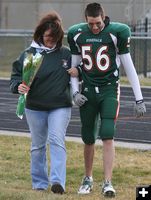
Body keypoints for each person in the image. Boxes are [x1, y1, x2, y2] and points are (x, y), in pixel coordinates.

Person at [67, 2, 146, 198]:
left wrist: (139, 98)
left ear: (104, 18)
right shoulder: (77, 33)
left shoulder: (117, 32)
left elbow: (129, 66)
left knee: (108, 133)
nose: (95, 27)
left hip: (109, 89)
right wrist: (75, 92)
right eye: (91, 23)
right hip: (87, 90)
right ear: (86, 19)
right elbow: (74, 67)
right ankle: (87, 178)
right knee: (88, 137)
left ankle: (108, 182)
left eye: (98, 23)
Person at [10, 11, 72, 194]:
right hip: (34, 107)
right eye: (47, 37)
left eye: (54, 37)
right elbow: (15, 78)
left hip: (60, 106)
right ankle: (39, 183)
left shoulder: (66, 54)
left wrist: (78, 73)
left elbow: (79, 75)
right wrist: (18, 87)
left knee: (56, 140)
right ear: (40, 34)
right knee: (37, 146)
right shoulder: (28, 55)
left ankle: (57, 182)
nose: (50, 40)